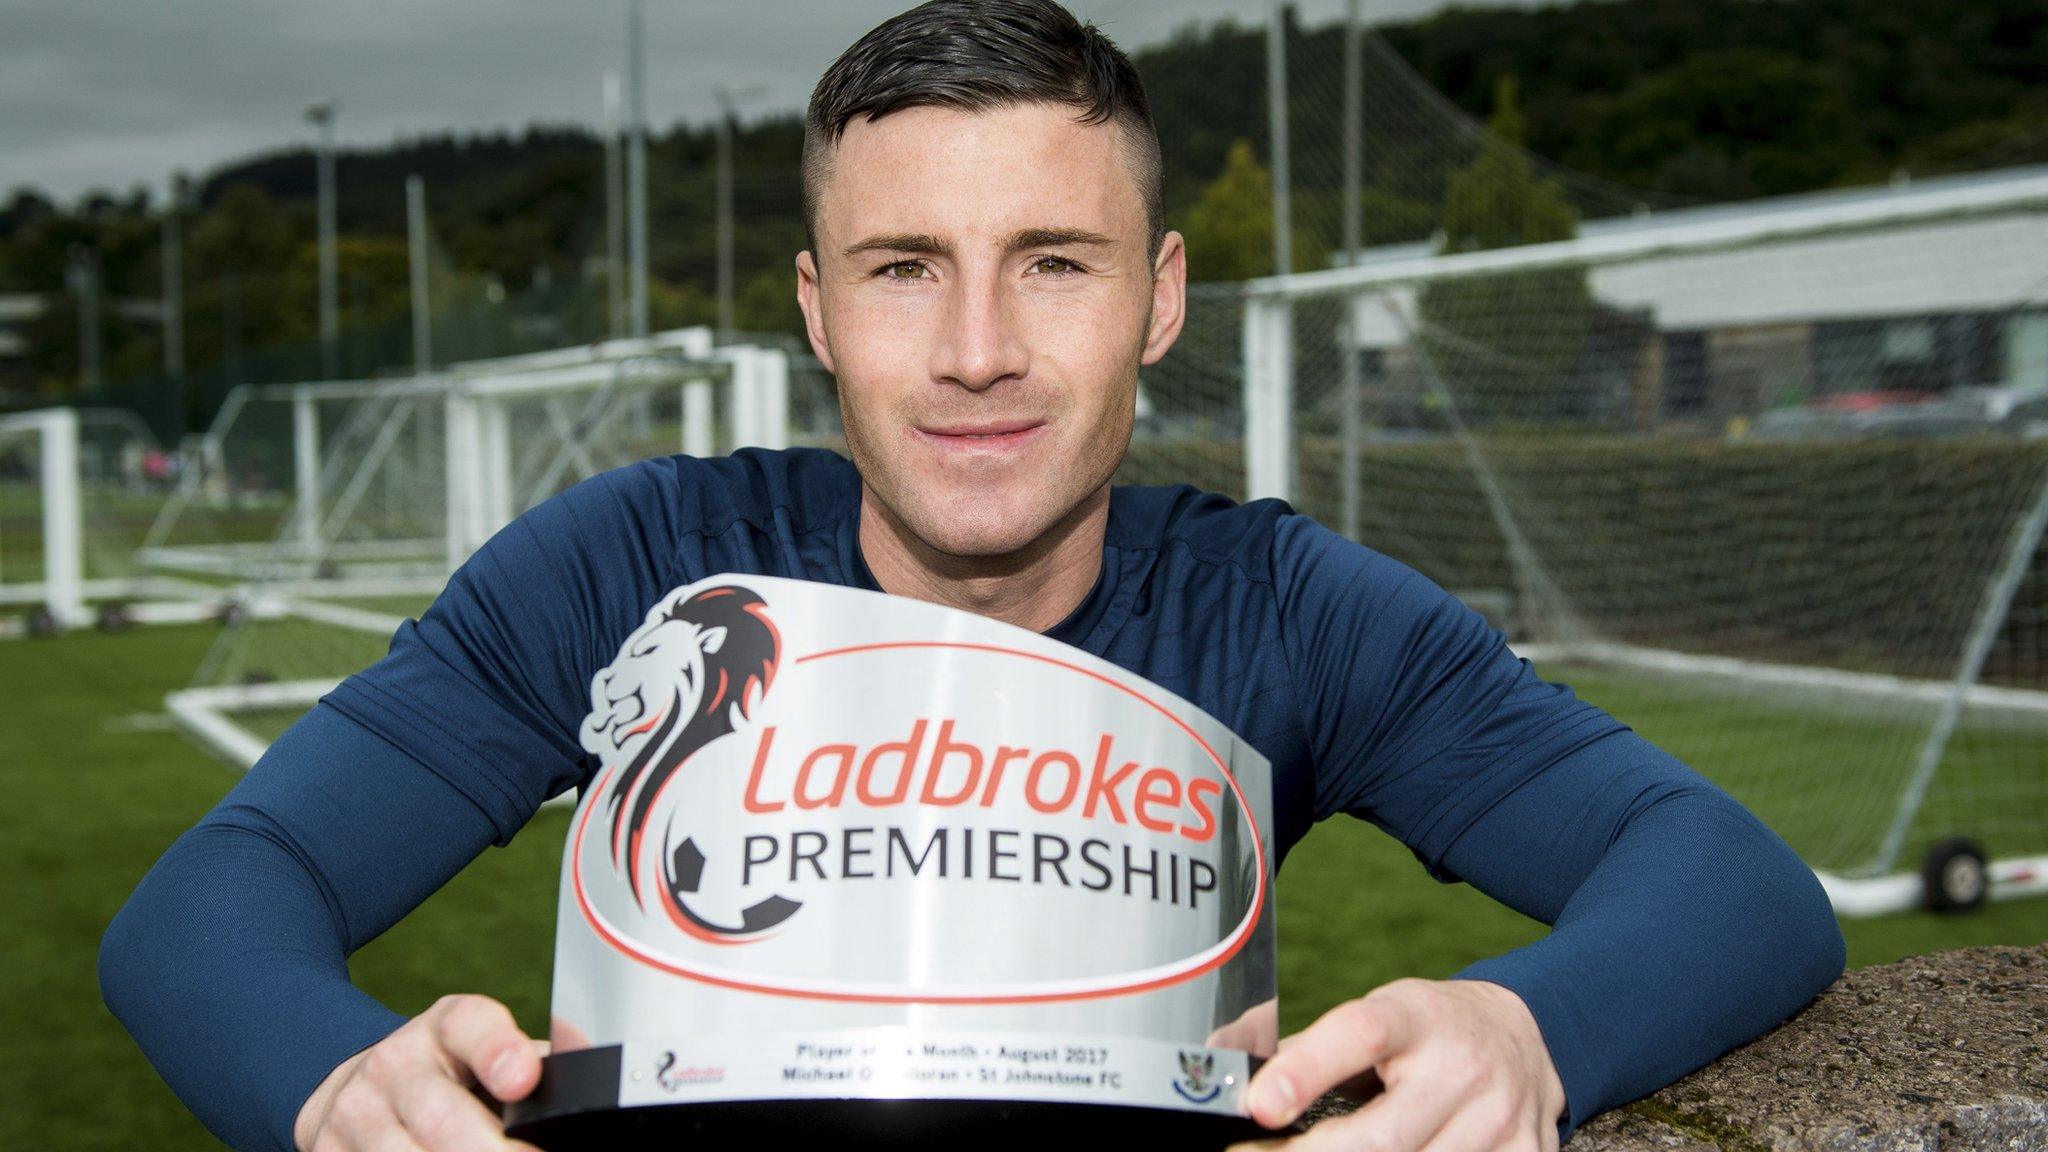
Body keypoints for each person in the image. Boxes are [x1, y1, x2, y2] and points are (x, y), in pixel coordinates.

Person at [100, 2, 1846, 1150]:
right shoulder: (634, 566)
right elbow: (208, 906)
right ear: (815, 309)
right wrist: (336, 1085)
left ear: (1160, 298)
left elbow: (1735, 883)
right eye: (904, 268)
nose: (979, 350)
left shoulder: (1284, 609)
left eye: (1055, 263)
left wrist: (1523, 1031)